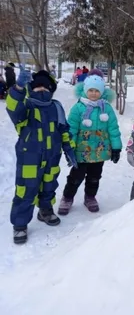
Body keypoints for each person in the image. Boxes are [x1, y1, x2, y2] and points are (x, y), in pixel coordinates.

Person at [6, 67, 77, 244]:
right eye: (37, 87)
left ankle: (45, 210)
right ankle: (20, 224)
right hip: (29, 158)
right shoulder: (26, 107)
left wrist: (69, 149)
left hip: (52, 156)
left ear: (51, 89)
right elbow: (12, 108)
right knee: (26, 190)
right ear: (31, 88)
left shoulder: (56, 108)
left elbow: (64, 130)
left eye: (45, 87)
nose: (42, 90)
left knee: (49, 185)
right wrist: (18, 88)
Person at [58, 69, 122, 215]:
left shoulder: (107, 108)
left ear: (102, 92)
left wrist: (116, 148)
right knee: (76, 176)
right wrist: (69, 147)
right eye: (91, 90)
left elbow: (113, 128)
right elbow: (71, 129)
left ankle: (90, 197)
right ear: (85, 90)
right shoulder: (78, 108)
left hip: (99, 151)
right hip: (81, 150)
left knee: (95, 176)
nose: (93, 93)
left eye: (97, 91)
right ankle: (67, 197)